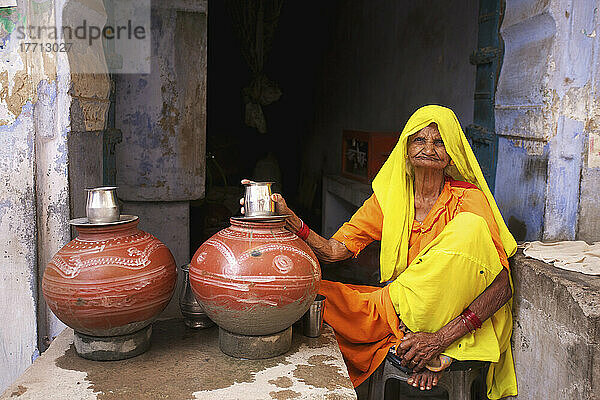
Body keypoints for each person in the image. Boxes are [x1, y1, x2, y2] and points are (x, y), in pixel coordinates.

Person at [240, 105, 517, 399]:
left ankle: (426, 346)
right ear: (406, 149)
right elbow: (335, 251)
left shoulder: (468, 199)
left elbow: (502, 287)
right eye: (419, 140)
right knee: (308, 294)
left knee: (470, 229)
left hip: (446, 314)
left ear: (451, 155)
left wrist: (438, 339)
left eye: (439, 142)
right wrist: (294, 222)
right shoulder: (390, 199)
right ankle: (417, 343)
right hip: (397, 305)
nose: (428, 148)